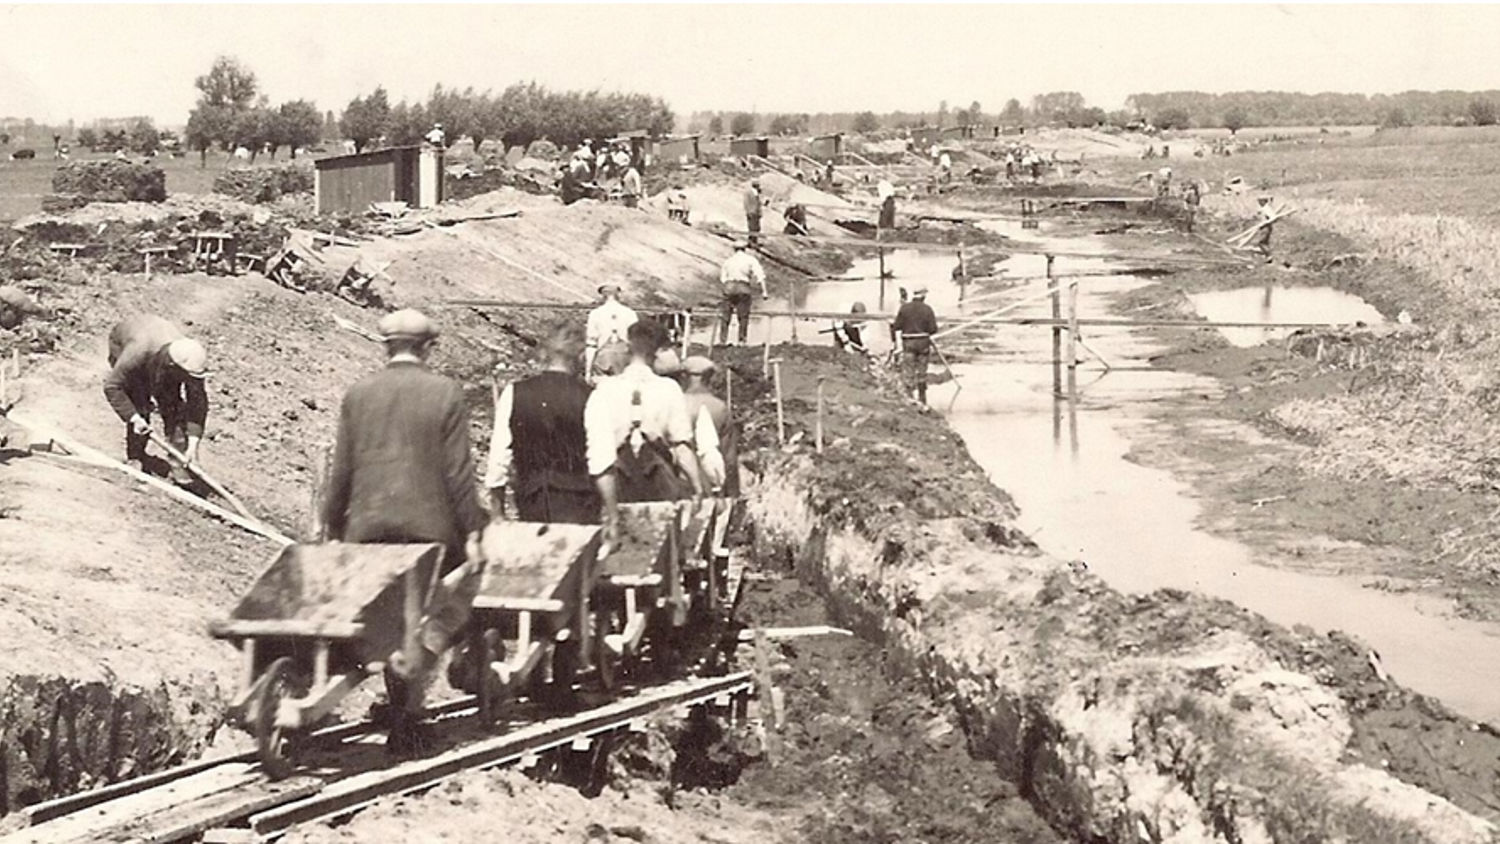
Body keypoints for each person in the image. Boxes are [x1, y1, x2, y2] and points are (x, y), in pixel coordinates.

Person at [322, 309, 489, 751]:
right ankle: (411, 702)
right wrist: (472, 530)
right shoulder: (444, 393)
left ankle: (398, 695)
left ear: (386, 346)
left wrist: (333, 524)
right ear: (428, 347)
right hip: (428, 529)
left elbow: (342, 469)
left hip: (367, 526)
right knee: (455, 600)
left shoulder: (359, 394)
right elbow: (457, 473)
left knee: (382, 612)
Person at [583, 320, 705, 543]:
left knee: (618, 547)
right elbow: (682, 445)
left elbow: (597, 452)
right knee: (661, 545)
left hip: (617, 479)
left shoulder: (606, 389)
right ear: (657, 353)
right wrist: (697, 486)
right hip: (658, 480)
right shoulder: (669, 389)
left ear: (629, 349)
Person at [486, 322, 598, 524]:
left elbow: (498, 457)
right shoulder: (590, 396)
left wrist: (497, 510)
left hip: (532, 501)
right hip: (580, 504)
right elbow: (601, 461)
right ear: (580, 357)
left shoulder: (514, 392)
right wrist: (612, 514)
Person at [103, 315, 209, 485]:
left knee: (174, 407)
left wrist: (193, 446)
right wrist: (134, 418)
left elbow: (197, 404)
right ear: (174, 367)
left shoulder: (190, 360)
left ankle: (181, 464)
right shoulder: (138, 352)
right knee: (140, 402)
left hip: (159, 350)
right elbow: (112, 387)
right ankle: (135, 456)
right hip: (125, 339)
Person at [680, 355, 729, 492]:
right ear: (709, 378)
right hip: (713, 479)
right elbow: (728, 453)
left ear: (685, 376)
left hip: (682, 481)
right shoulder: (719, 407)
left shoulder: (677, 404)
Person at [892, 285, 938, 405]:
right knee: (922, 371)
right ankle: (922, 398)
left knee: (909, 369)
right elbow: (933, 329)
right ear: (923, 296)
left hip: (908, 342)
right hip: (923, 342)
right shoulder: (928, 309)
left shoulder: (904, 308)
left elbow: (896, 326)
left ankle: (909, 397)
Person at [717, 241, 767, 345]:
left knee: (725, 315)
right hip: (743, 287)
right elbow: (760, 276)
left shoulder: (728, 261)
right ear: (745, 249)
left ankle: (722, 340)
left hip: (729, 287)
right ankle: (741, 340)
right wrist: (764, 292)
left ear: (734, 249)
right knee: (743, 316)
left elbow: (723, 278)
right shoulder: (750, 260)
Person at [585, 283, 638, 378]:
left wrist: (588, 370)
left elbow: (591, 344)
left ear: (602, 295)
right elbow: (636, 341)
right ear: (619, 294)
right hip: (626, 359)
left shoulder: (595, 314)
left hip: (603, 361)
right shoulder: (630, 313)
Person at [1253, 195, 1276, 262]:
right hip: (1263, 227)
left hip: (1266, 227)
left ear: (1264, 201)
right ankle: (1268, 257)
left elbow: (1273, 218)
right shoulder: (1263, 208)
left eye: (1260, 201)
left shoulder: (1267, 209)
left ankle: (1269, 256)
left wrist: (1265, 223)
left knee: (1261, 243)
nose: (1259, 202)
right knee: (1265, 243)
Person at [743, 179, 765, 246]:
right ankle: (751, 242)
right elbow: (746, 203)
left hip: (756, 213)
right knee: (752, 228)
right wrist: (748, 212)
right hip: (752, 213)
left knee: (757, 228)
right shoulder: (749, 193)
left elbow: (759, 203)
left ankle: (754, 241)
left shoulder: (757, 193)